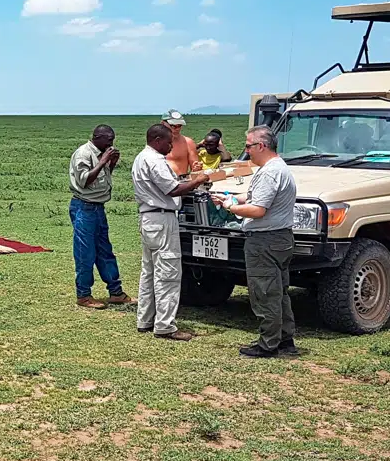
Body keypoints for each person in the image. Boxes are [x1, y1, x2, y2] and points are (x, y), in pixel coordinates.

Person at [217, 126, 298, 357]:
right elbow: (255, 197)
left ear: (261, 146)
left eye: (249, 145)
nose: (246, 150)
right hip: (280, 238)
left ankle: (268, 343)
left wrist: (231, 207)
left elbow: (258, 209)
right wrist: (229, 196)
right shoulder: (278, 169)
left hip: (265, 240)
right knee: (279, 292)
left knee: (264, 292)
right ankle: (284, 338)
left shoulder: (269, 172)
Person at [131, 124, 216, 341]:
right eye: (168, 142)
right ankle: (165, 325)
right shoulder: (155, 161)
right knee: (168, 273)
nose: (171, 146)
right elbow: (173, 189)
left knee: (149, 271)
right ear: (157, 140)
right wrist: (198, 180)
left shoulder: (141, 158)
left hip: (149, 219)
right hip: (162, 218)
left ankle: (145, 319)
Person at [69, 125, 132, 309]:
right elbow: (85, 181)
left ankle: (116, 292)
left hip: (97, 207)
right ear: (97, 137)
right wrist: (103, 161)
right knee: (85, 252)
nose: (111, 144)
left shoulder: (100, 153)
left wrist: (110, 164)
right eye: (108, 140)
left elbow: (101, 180)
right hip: (84, 207)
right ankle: (83, 295)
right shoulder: (84, 154)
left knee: (105, 250)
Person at [162, 110, 199, 177]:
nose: (177, 129)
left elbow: (195, 170)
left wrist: (196, 169)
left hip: (181, 183)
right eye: (173, 126)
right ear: (163, 123)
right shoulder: (156, 143)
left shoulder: (188, 142)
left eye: (179, 126)